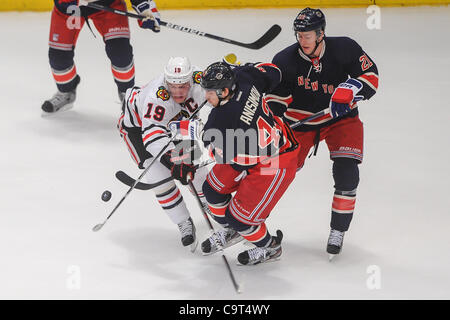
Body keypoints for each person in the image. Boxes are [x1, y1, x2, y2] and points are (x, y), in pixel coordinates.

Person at [267, 7, 379, 259]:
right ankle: (249, 221)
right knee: (271, 172)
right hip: (300, 124)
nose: (302, 40)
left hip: (340, 119)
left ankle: (338, 230)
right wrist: (274, 120)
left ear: (321, 34)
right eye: (299, 34)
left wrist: (352, 87)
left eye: (307, 35)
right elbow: (276, 97)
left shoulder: (345, 49)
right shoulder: (284, 60)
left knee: (347, 172)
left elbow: (371, 76)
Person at [163, 61, 300, 265]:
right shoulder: (243, 78)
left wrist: (186, 158)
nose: (206, 97)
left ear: (225, 91)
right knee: (212, 191)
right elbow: (275, 72)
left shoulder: (221, 120)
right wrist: (244, 68)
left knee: (241, 218)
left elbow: (218, 154)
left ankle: (270, 247)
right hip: (249, 149)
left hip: (275, 160)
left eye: (209, 93)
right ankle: (234, 231)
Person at [118, 56, 208, 251]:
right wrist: (174, 162)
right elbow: (152, 137)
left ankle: (210, 205)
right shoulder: (156, 98)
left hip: (176, 125)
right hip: (139, 130)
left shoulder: (201, 80)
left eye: (182, 86)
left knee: (195, 169)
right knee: (160, 178)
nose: (177, 91)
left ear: (191, 80)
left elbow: (223, 88)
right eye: (172, 86)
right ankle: (183, 222)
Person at [42, 0, 161, 114]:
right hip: (69, 10)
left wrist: (145, 9)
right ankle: (66, 91)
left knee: (120, 53)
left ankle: (128, 94)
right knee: (58, 59)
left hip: (108, 5)